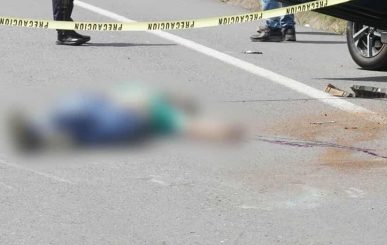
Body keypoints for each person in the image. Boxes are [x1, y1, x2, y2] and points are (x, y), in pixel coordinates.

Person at [8, 84, 244, 153]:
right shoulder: (152, 98)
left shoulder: (163, 111)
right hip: (109, 114)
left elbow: (193, 127)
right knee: (78, 108)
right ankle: (39, 133)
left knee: (80, 112)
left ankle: (40, 133)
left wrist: (224, 131)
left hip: (120, 122)